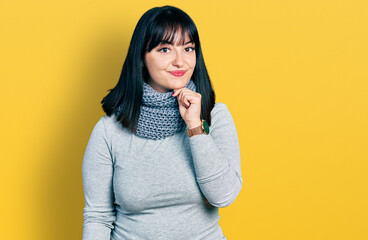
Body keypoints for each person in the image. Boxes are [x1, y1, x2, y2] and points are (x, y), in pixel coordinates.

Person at [82, 5, 243, 240]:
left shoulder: (215, 116)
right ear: (141, 58)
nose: (180, 61)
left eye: (188, 48)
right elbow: (98, 217)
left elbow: (224, 196)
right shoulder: (108, 131)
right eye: (165, 49)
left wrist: (195, 128)